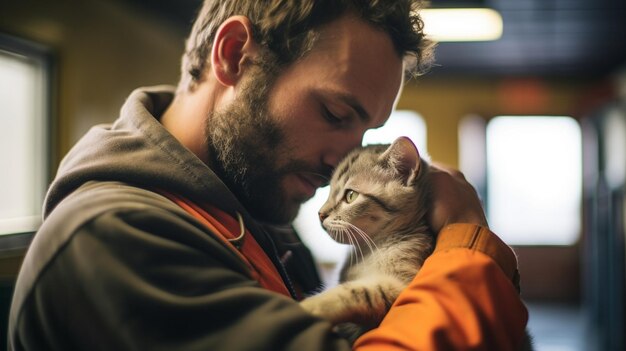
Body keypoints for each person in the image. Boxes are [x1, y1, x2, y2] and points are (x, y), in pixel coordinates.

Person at [8, 1, 528, 350]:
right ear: (235, 55)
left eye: (366, 129)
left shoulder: (250, 208)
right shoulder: (114, 236)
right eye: (333, 113)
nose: (341, 160)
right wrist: (465, 244)